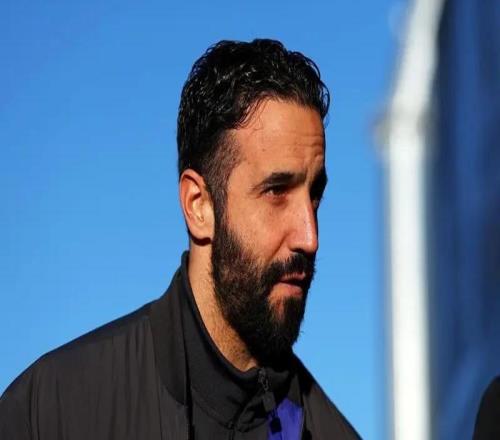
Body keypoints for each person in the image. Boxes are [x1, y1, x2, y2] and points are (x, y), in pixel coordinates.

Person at [0, 39, 360, 439]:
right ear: (198, 205)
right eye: (276, 191)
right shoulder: (53, 411)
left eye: (314, 194)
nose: (309, 237)